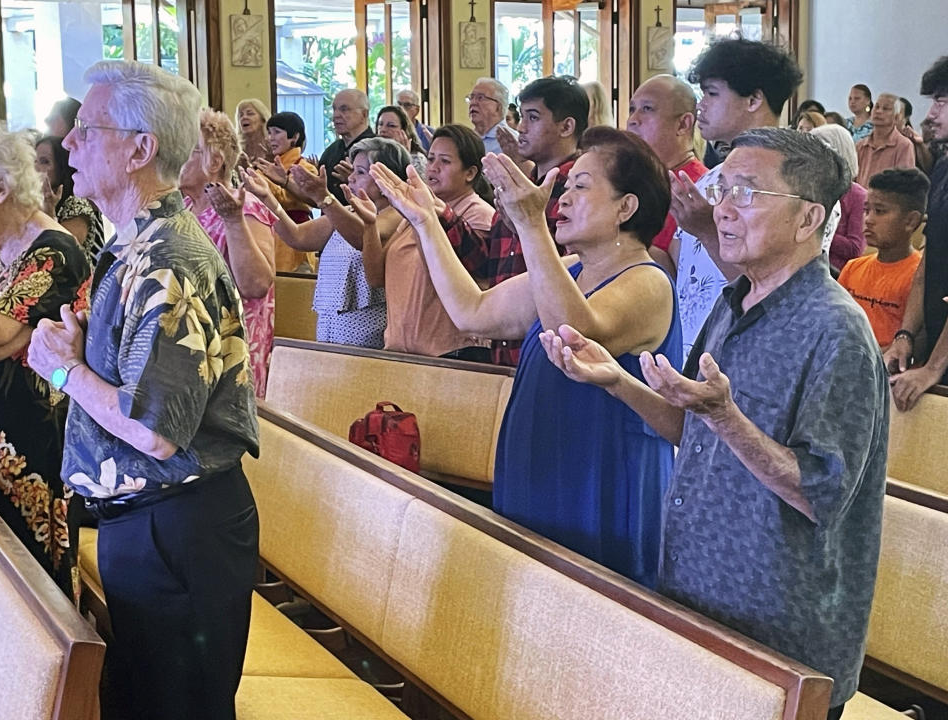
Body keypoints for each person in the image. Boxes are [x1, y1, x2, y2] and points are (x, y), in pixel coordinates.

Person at [542, 128, 887, 720]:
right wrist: (616, 381)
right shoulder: (736, 302)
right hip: (701, 597)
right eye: (722, 187)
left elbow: (819, 493)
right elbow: (689, 427)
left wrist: (724, 415)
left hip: (779, 630)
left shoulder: (837, 332)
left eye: (747, 193)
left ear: (808, 220)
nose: (721, 208)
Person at [26, 60, 259, 720]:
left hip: (179, 531)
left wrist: (66, 371)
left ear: (140, 148)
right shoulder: (134, 244)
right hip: (152, 524)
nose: (67, 143)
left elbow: (156, 428)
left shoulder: (169, 259)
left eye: (85, 129)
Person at [370, 125, 679, 587]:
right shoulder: (571, 269)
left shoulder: (648, 280)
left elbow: (574, 334)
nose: (564, 198)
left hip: (597, 474)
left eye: (581, 186)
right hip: (540, 458)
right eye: (567, 185)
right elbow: (471, 312)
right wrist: (426, 225)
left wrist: (530, 224)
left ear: (626, 207)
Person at [0, 128, 91, 600]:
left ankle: (58, 670)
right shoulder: (1, 247)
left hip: (31, 434)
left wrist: (8, 335)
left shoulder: (54, 248)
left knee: (31, 576)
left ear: (1, 187)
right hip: (0, 424)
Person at [670, 37, 803, 358]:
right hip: (692, 347)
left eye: (712, 93)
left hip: (749, 354)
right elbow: (683, 269)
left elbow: (784, 295)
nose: (700, 105)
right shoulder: (711, 179)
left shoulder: (799, 177)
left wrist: (706, 229)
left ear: (754, 99)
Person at [448, 75, 590, 366]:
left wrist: (529, 229)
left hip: (552, 350)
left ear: (567, 126)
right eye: (521, 116)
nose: (521, 128)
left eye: (533, 117)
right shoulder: (522, 184)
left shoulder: (581, 189)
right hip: (506, 349)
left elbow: (581, 271)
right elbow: (490, 263)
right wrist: (439, 215)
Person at [242, 137, 410, 348]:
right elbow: (298, 236)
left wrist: (324, 198)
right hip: (330, 326)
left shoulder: (398, 214)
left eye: (360, 172)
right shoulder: (347, 211)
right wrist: (266, 197)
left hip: (368, 331)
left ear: (386, 177)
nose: (351, 178)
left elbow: (364, 237)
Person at [362, 131, 494, 359]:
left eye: (445, 161)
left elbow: (445, 272)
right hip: (399, 347)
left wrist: (423, 221)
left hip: (450, 351)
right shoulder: (414, 210)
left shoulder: (479, 214)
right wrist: (369, 223)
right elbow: (376, 277)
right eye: (431, 158)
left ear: (470, 173)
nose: (432, 167)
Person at [179, 108, 276, 398]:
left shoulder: (245, 208)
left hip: (231, 351)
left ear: (215, 161)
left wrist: (233, 220)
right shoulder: (184, 208)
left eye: (187, 149)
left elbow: (256, 284)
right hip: (191, 345)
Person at [885, 56, 948, 411]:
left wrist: (933, 368)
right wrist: (905, 337)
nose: (930, 115)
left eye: (940, 101)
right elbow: (930, 262)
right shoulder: (942, 169)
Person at [625, 73, 708, 277]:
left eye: (647, 109)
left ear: (683, 124)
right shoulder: (634, 180)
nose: (633, 120)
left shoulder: (699, 188)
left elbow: (684, 280)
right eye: (632, 109)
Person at [839, 168, 927, 348]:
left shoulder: (920, 278)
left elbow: (917, 345)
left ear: (910, 221)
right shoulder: (852, 268)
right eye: (866, 210)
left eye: (880, 211)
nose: (868, 220)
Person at [253, 111, 318, 271]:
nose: (271, 138)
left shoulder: (305, 168)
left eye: (277, 132)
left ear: (294, 137)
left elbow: (283, 199)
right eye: (269, 133)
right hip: (268, 237)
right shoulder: (266, 167)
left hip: (296, 240)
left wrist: (274, 181)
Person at [35, 134, 105, 264]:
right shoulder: (32, 202)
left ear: (61, 168)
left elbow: (61, 250)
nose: (35, 167)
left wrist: (49, 212)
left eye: (44, 161)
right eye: (34, 160)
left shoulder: (77, 204)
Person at [811, 123, 867, 270]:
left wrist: (817, 231)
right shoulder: (811, 190)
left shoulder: (858, 196)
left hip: (839, 273)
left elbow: (855, 248)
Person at [319, 89, 375, 204]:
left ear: (364, 114)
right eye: (334, 109)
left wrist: (354, 181)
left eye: (344, 109)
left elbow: (385, 200)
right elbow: (320, 198)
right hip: (329, 220)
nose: (336, 115)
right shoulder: (331, 151)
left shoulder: (377, 150)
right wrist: (287, 182)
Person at [855, 94, 915, 186]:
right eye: (877, 107)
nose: (879, 111)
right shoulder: (861, 145)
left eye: (886, 109)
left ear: (896, 117)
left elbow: (905, 186)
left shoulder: (904, 146)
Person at [466, 77, 517, 154]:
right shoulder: (466, 139)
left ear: (498, 107)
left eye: (480, 98)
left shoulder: (512, 142)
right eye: (471, 98)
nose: (473, 103)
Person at [376, 105, 427, 176]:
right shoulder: (373, 153)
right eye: (380, 124)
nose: (383, 129)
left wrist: (404, 158)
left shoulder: (417, 158)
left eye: (391, 126)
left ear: (405, 131)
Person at [234, 97, 272, 169]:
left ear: (263, 120)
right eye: (241, 115)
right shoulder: (236, 148)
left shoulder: (271, 145)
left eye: (250, 114)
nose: (244, 117)